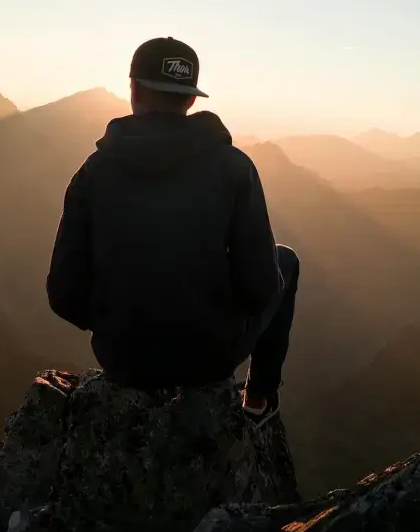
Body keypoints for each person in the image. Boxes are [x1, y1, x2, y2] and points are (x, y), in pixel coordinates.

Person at [47, 36, 298, 425]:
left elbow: (63, 294)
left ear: (133, 88)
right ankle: (258, 400)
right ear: (192, 100)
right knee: (286, 260)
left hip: (122, 358)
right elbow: (260, 288)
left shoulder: (93, 172)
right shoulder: (234, 168)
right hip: (208, 359)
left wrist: (121, 319)